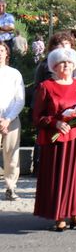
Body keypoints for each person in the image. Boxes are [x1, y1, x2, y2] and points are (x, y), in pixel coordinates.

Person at [33, 48, 76, 231]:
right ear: (54, 66)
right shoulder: (46, 86)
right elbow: (37, 117)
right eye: (62, 62)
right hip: (56, 141)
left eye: (69, 62)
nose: (66, 65)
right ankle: (59, 215)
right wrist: (55, 123)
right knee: (57, 177)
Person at [0, 42, 25, 201]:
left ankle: (10, 187)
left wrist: (8, 119)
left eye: (1, 50)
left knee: (12, 156)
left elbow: (20, 99)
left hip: (11, 120)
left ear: (6, 53)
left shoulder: (14, 74)